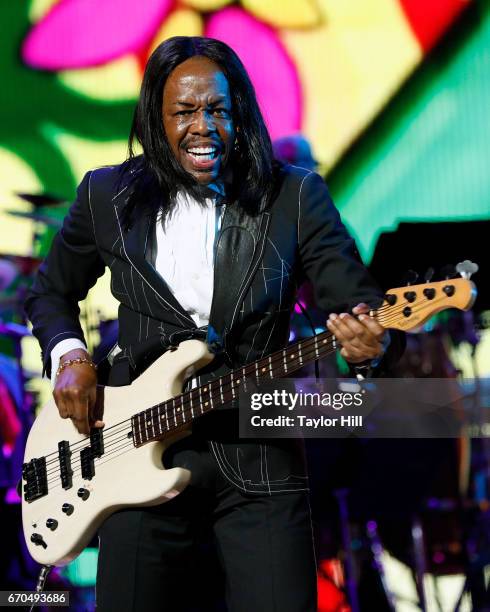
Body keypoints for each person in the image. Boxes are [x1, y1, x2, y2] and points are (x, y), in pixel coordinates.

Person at [25, 36, 401, 612]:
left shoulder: (294, 195)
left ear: (240, 113)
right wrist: (71, 356)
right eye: (184, 111)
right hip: (129, 454)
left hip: (259, 458)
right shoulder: (107, 195)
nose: (203, 126)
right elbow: (49, 291)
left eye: (217, 110)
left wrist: (367, 344)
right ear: (156, 116)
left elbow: (357, 303)